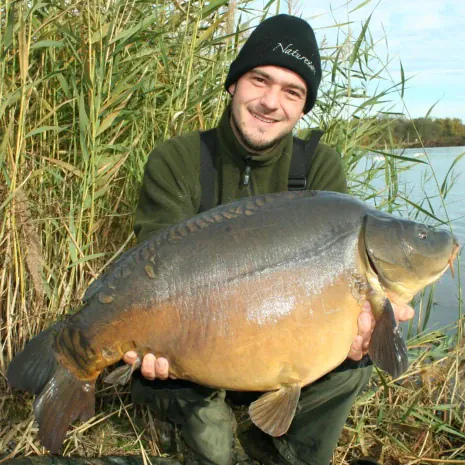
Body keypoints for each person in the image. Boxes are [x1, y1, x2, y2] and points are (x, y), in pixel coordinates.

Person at [124, 14, 414, 465]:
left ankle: (281, 448)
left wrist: (357, 332)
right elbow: (153, 270)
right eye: (260, 80)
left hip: (280, 351)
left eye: (292, 92)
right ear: (234, 84)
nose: (270, 102)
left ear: (302, 107)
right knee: (215, 444)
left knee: (357, 363)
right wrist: (151, 345)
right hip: (194, 353)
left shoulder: (318, 168)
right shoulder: (177, 160)